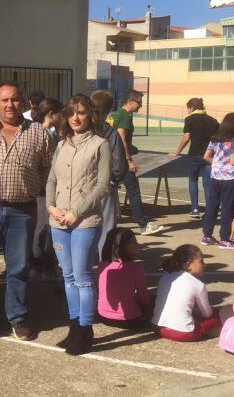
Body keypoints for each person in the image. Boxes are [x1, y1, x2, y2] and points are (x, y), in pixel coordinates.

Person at [0, 81, 55, 341]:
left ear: (22, 103)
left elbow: (49, 171)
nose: (9, 105)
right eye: (4, 100)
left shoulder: (39, 133)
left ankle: (17, 316)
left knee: (18, 266)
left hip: (23, 210)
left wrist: (40, 195)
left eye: (14, 99)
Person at [46, 93, 110, 355]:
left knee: (83, 278)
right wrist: (50, 206)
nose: (75, 117)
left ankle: (85, 330)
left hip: (84, 221)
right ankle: (73, 326)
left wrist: (77, 212)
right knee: (68, 276)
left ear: (90, 115)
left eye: (81, 112)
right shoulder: (62, 144)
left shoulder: (100, 145)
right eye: (71, 112)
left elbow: (103, 185)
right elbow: (51, 179)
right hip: (58, 221)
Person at [108, 90, 164, 236]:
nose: (140, 106)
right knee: (133, 191)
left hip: (110, 159)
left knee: (110, 191)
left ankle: (110, 223)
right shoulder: (125, 116)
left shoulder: (113, 115)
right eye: (139, 103)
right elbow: (121, 138)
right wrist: (128, 160)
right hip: (120, 160)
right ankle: (143, 224)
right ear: (130, 101)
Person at [152, 245, 221, 342]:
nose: (204, 264)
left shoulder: (165, 276)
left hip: (158, 328)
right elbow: (207, 314)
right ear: (188, 265)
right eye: (201, 261)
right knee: (221, 312)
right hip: (183, 333)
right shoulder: (198, 284)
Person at [29, 97, 63, 282]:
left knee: (39, 230)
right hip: (42, 191)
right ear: (51, 114)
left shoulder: (46, 132)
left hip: (41, 191)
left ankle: (38, 263)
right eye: (60, 114)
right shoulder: (45, 134)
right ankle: (40, 264)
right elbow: (50, 165)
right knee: (41, 230)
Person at [168, 98, 219, 219]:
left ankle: (195, 209)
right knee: (207, 184)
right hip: (209, 156)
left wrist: (177, 152)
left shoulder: (190, 119)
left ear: (192, 108)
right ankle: (209, 210)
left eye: (188, 108)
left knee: (193, 180)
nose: (187, 111)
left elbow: (186, 138)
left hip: (194, 154)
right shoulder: (213, 121)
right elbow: (218, 139)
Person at [92, 90, 126, 260]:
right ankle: (104, 261)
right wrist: (115, 178)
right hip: (104, 183)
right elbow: (119, 161)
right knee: (106, 226)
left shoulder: (81, 128)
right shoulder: (110, 132)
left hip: (82, 183)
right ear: (109, 110)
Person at [96, 228, 152, 330]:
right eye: (133, 242)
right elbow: (143, 296)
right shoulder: (135, 268)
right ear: (121, 246)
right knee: (154, 300)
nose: (137, 245)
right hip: (128, 319)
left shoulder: (102, 265)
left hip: (103, 315)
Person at [201, 113, 234, 248]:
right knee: (227, 207)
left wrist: (216, 164)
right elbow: (232, 161)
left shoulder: (214, 139)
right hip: (229, 177)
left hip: (215, 176)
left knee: (212, 205)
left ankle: (207, 235)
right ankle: (224, 238)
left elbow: (206, 156)